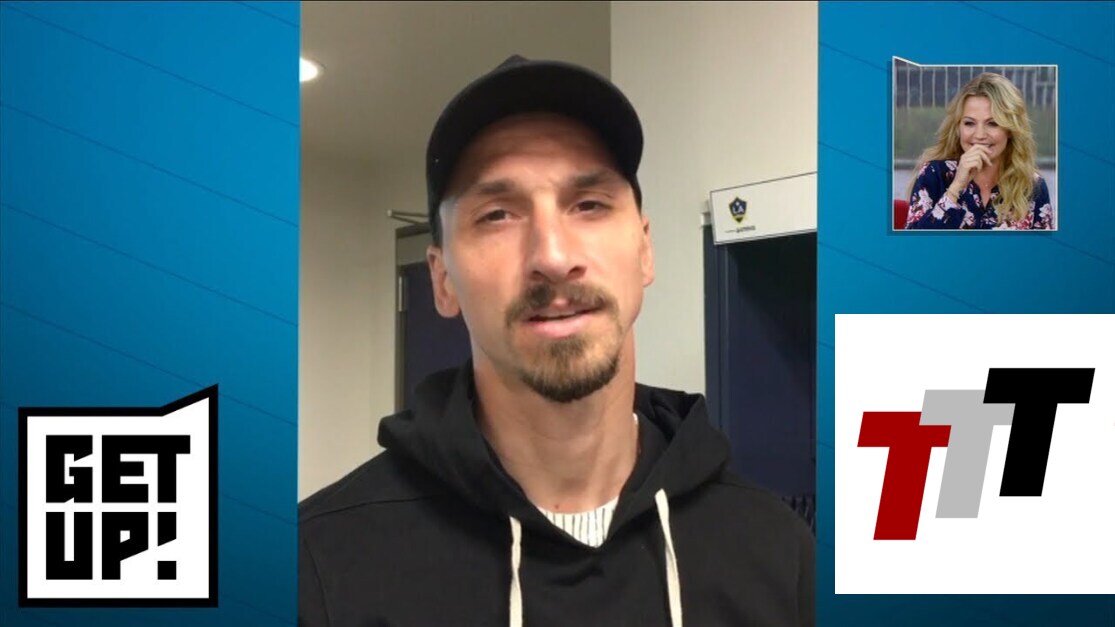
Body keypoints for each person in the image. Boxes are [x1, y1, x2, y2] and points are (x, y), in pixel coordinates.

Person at [299, 55, 814, 627]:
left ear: (645, 249)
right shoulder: (319, 570)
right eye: (498, 214)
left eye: (589, 204)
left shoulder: (779, 556)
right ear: (442, 280)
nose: (553, 255)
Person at [904, 72, 1053, 230]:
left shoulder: (1033, 186)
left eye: (993, 123)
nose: (980, 135)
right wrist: (955, 188)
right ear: (958, 127)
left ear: (1010, 130)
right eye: (969, 123)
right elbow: (913, 243)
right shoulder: (933, 174)